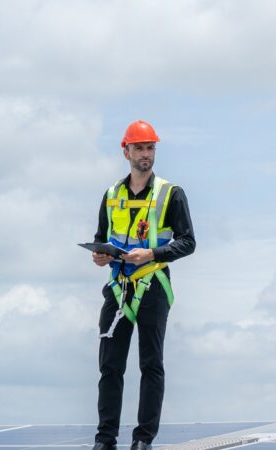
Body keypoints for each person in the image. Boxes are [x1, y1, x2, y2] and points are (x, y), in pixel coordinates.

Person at [90, 120, 195, 450]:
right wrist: (100, 256)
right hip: (118, 289)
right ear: (126, 151)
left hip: (153, 287)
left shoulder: (171, 193)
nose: (145, 154)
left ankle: (142, 440)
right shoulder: (111, 195)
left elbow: (188, 242)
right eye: (139, 148)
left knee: (151, 365)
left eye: (150, 148)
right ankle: (105, 440)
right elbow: (100, 239)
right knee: (110, 367)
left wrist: (153, 252)